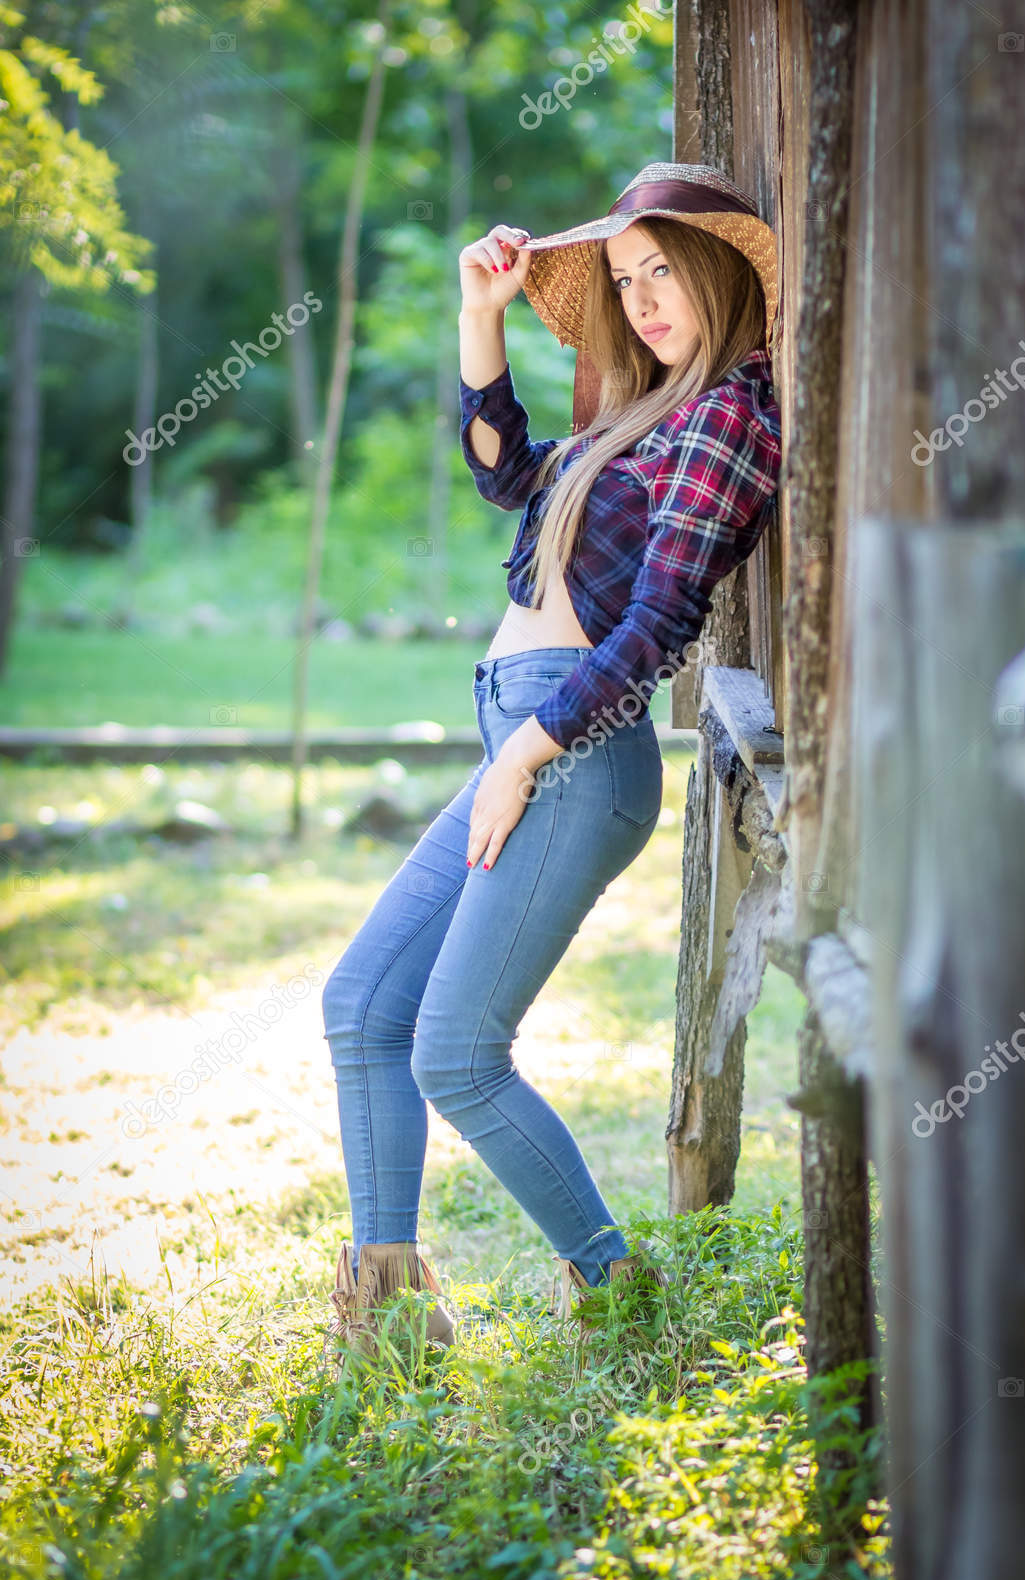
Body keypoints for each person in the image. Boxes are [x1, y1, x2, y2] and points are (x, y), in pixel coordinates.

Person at [321, 161, 782, 1356]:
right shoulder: (639, 411)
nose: (640, 298)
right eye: (624, 279)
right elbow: (501, 471)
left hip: (571, 745)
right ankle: (392, 1321)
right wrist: (480, 316)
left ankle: (622, 1297)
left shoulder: (729, 412)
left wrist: (523, 754)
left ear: (721, 272)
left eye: (662, 271)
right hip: (521, 731)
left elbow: (660, 624)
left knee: (458, 1054)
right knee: (362, 1004)